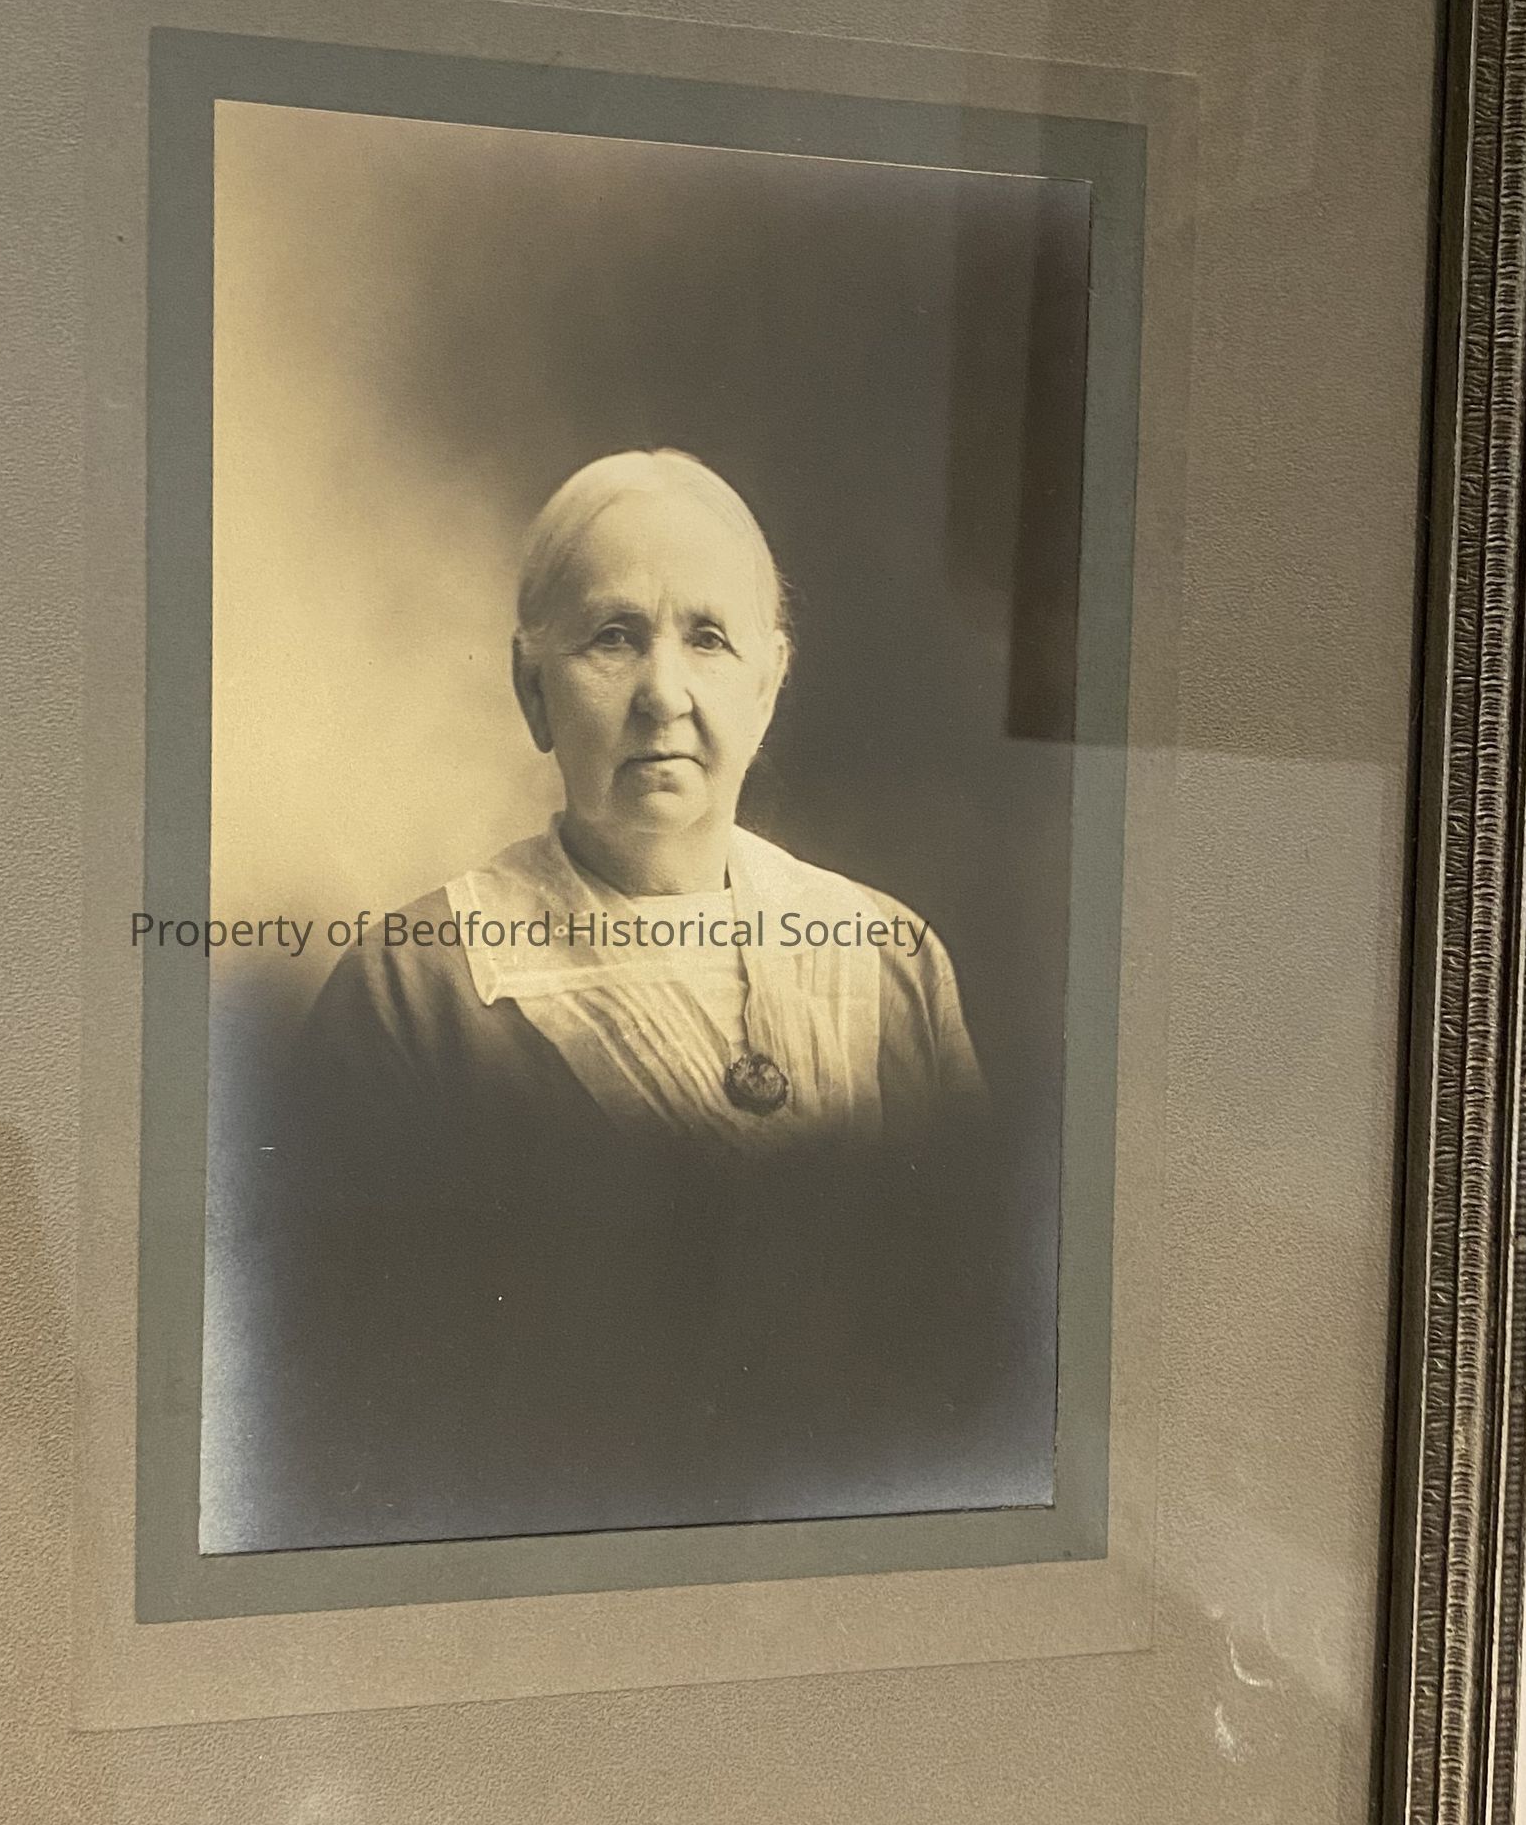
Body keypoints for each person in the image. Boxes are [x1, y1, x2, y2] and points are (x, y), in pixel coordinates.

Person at [234, 449, 1007, 1547]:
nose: (663, 694)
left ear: (768, 683)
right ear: (532, 689)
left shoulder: (888, 956)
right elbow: (345, 1402)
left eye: (709, 638)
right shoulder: (415, 989)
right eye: (612, 636)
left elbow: (976, 1341)